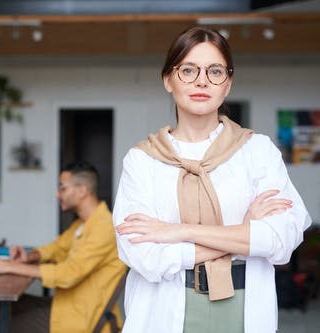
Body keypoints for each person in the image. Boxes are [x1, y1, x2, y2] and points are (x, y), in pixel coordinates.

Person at [113, 26, 312, 333]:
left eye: (215, 71)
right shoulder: (142, 161)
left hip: (244, 308)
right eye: (188, 70)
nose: (202, 80)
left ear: (227, 83)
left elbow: (280, 240)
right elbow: (145, 257)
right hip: (164, 311)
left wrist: (175, 231)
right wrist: (243, 235)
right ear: (168, 80)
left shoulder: (257, 151)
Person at [0, 161, 127, 333]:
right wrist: (29, 257)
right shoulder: (83, 224)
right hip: (66, 306)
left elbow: (68, 274)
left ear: (82, 191)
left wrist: (5, 266)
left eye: (62, 188)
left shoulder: (103, 227)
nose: (57, 193)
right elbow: (55, 248)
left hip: (81, 319)